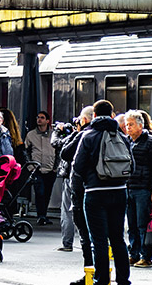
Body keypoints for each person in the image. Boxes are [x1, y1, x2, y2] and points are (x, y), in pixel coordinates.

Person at [71, 99, 129, 285]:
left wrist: (89, 177)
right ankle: (123, 280)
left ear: (94, 115)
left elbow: (77, 166)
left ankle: (101, 280)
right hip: (120, 192)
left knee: (99, 240)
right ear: (113, 115)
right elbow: (131, 166)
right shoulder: (123, 137)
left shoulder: (88, 136)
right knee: (118, 239)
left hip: (95, 192)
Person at [124, 109, 152, 268]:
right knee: (132, 224)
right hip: (129, 187)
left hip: (143, 189)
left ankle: (146, 256)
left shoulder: (151, 142)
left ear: (140, 125)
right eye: (127, 125)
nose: (128, 128)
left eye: (131, 125)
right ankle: (133, 254)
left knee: (143, 224)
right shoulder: (128, 141)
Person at [54, 105, 93, 254]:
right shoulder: (107, 133)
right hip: (93, 180)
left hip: (74, 176)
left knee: (68, 209)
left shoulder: (81, 134)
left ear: (83, 120)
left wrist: (59, 132)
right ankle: (92, 241)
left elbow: (62, 149)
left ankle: (67, 242)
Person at [26, 110, 57, 226]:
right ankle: (41, 216)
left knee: (47, 193)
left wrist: (55, 167)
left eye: (42, 118)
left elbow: (58, 151)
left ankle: (44, 214)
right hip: (36, 168)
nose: (39, 119)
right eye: (38, 117)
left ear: (48, 121)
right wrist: (31, 166)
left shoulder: (53, 134)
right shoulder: (31, 135)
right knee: (40, 192)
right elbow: (26, 152)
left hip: (50, 168)